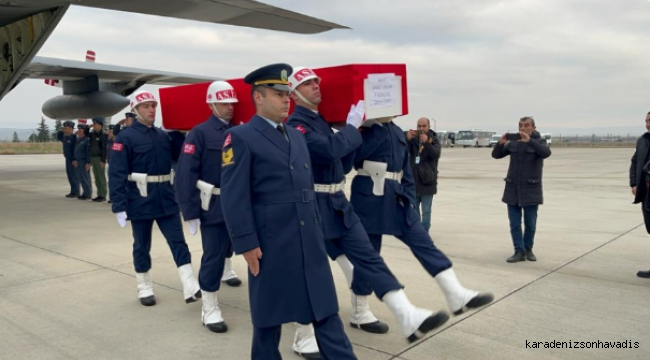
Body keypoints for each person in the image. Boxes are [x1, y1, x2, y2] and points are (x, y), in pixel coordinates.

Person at [285, 66, 449, 357]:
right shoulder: (297, 124)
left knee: (368, 257)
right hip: (310, 204)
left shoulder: (321, 121)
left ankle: (405, 313)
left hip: (338, 202)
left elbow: (343, 163)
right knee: (309, 268)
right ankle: (303, 334)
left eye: (316, 82)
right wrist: (351, 128)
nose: (316, 86)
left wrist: (357, 131)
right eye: (308, 84)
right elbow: (327, 150)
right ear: (294, 94)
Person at [220, 63, 357, 360]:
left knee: (326, 312)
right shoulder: (241, 137)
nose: (286, 99)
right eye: (278, 93)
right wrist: (245, 242)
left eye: (287, 93)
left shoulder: (296, 135)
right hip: (271, 243)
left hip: (309, 237)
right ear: (258, 97)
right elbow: (233, 195)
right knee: (268, 323)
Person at [349, 115, 494, 318]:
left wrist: (409, 198)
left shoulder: (397, 131)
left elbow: (406, 167)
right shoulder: (364, 129)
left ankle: (455, 293)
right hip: (369, 196)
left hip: (396, 196)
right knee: (370, 253)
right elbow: (353, 159)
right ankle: (360, 309)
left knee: (423, 241)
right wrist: (367, 129)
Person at [109, 89, 201, 306]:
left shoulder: (163, 135)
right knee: (142, 244)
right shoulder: (125, 137)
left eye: (153, 106)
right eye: (146, 106)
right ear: (135, 110)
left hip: (166, 197)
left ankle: (189, 284)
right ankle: (144, 285)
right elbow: (117, 173)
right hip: (140, 198)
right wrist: (119, 205)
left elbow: (182, 156)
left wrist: (178, 132)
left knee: (178, 241)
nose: (151, 110)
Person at [175, 81, 243, 334]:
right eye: (224, 103)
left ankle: (227, 274)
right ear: (212, 104)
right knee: (213, 254)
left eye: (232, 103)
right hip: (213, 205)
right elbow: (185, 174)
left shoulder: (239, 132)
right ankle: (209, 307)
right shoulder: (199, 133)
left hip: (239, 204)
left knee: (232, 248)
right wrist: (191, 212)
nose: (229, 108)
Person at [492, 116, 551, 263]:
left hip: (530, 189)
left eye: (526, 125)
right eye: (520, 125)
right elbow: (496, 155)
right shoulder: (514, 142)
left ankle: (528, 249)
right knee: (514, 223)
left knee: (530, 223)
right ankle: (518, 251)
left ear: (533, 127)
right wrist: (500, 144)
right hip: (513, 188)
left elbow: (546, 153)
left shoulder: (539, 141)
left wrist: (529, 141)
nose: (522, 128)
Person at [406, 117, 440, 232]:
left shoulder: (434, 140)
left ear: (429, 126)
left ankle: (424, 232)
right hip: (413, 182)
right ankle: (417, 232)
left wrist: (426, 142)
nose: (421, 128)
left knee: (426, 211)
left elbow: (435, 154)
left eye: (423, 126)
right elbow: (402, 153)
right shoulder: (413, 140)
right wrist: (407, 140)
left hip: (427, 182)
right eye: (419, 126)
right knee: (414, 211)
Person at [629, 111, 650, 278]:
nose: (647, 124)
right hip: (646, 193)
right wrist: (634, 183)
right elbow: (635, 161)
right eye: (646, 121)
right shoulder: (642, 141)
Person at [57, 121, 79, 198]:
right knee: (69, 175)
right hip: (67, 159)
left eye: (66, 128)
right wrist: (61, 131)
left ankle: (76, 191)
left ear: (71, 129)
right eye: (64, 128)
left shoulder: (74, 138)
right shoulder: (65, 137)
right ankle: (72, 191)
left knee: (74, 176)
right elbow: (59, 136)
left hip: (73, 160)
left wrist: (75, 159)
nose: (65, 130)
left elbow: (75, 149)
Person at [89, 117, 108, 202]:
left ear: (100, 125)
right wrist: (88, 127)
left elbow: (104, 148)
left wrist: (103, 160)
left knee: (101, 177)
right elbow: (85, 133)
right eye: (93, 124)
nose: (94, 125)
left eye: (95, 124)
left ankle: (103, 194)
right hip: (93, 157)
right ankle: (99, 194)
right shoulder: (92, 134)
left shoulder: (103, 135)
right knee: (96, 177)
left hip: (99, 158)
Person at [73, 125, 92, 200]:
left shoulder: (86, 140)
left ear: (84, 131)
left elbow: (88, 152)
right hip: (78, 160)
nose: (79, 132)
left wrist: (88, 162)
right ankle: (85, 193)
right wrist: (74, 159)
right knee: (80, 178)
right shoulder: (78, 140)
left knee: (85, 178)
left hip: (83, 161)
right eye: (79, 130)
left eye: (81, 130)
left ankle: (87, 194)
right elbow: (75, 150)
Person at [105, 125, 115, 203]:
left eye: (110, 132)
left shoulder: (117, 142)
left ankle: (115, 198)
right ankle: (112, 197)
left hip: (116, 165)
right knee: (110, 182)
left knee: (116, 182)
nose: (109, 133)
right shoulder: (108, 142)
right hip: (110, 164)